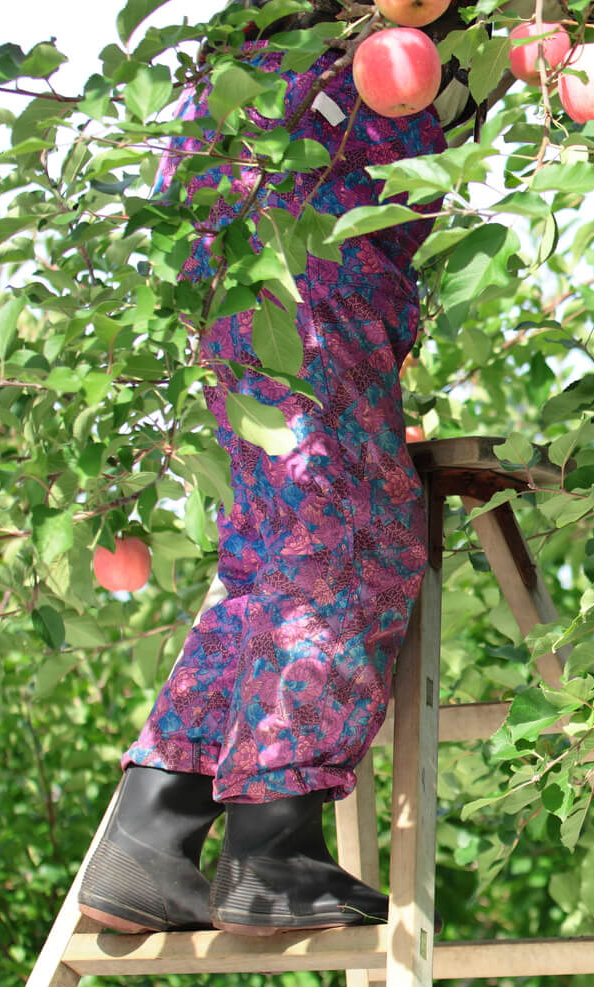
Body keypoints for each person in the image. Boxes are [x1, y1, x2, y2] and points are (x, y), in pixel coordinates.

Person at [76, 4, 464, 937]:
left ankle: (150, 834)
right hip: (308, 220)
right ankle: (271, 845)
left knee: (271, 550)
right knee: (349, 540)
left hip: (235, 208)